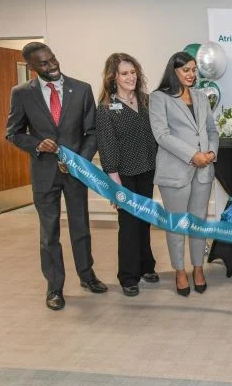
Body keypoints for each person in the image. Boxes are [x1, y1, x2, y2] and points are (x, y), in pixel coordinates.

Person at [5, 42, 107, 311]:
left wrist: (79, 161)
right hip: (44, 173)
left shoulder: (82, 89)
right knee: (48, 234)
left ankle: (87, 276)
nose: (52, 67)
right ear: (31, 67)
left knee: (80, 228)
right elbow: (13, 132)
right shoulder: (21, 93)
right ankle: (54, 288)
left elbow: (93, 132)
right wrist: (37, 144)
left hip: (74, 173)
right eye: (44, 64)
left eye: (53, 60)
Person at [149, 52, 219, 297]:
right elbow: (161, 135)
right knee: (177, 225)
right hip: (175, 172)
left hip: (203, 171)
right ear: (174, 71)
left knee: (198, 224)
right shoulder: (159, 98)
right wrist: (192, 155)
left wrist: (210, 153)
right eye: (185, 70)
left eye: (193, 70)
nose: (191, 74)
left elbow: (211, 129)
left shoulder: (200, 97)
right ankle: (180, 271)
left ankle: (198, 268)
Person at [96, 53, 159, 297]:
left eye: (133, 72)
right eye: (124, 73)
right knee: (129, 225)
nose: (130, 77)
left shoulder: (146, 101)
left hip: (147, 170)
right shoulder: (105, 109)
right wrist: (115, 186)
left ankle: (146, 266)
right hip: (124, 175)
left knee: (144, 222)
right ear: (113, 77)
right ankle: (128, 276)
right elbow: (107, 148)